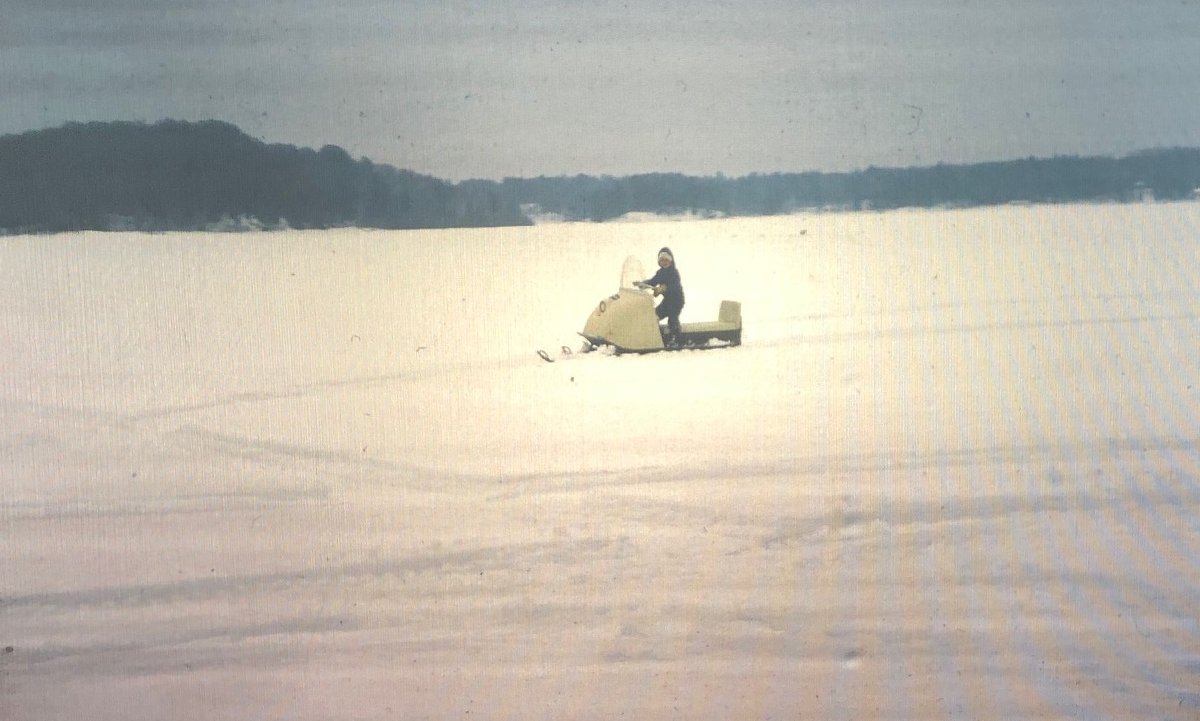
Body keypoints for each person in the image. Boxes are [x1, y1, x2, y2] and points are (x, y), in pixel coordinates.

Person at [643, 246, 685, 339]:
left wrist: (663, 288)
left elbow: (674, 286)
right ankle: (654, 336)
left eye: (667, 260)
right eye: (662, 260)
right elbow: (653, 281)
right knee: (654, 315)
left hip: (676, 301)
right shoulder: (660, 273)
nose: (664, 262)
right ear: (659, 262)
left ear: (671, 261)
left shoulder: (674, 273)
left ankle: (677, 339)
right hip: (667, 301)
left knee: (672, 319)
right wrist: (643, 283)